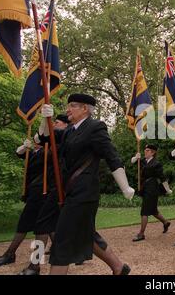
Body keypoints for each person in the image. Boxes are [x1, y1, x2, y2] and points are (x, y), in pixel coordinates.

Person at [38, 94, 135, 275]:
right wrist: (45, 119)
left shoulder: (95, 127)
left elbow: (111, 156)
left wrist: (125, 186)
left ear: (85, 108)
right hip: (66, 192)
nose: (67, 109)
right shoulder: (69, 131)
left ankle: (36, 266)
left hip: (83, 193)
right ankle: (119, 267)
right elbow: (45, 137)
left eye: (72, 105)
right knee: (84, 233)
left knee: (63, 239)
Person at [16, 115, 70, 275]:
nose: (53, 125)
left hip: (59, 188)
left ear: (65, 126)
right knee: (46, 226)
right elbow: (41, 137)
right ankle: (36, 264)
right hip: (50, 189)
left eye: (57, 123)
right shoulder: (52, 141)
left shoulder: (64, 141)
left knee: (49, 226)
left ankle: (36, 264)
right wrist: (43, 121)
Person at [0, 138, 48, 268]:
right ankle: (32, 261)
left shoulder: (48, 152)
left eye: (38, 138)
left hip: (43, 192)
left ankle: (15, 256)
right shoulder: (33, 153)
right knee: (45, 228)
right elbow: (19, 154)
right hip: (34, 193)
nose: (35, 140)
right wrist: (24, 147)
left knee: (38, 227)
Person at [130, 144, 172, 242]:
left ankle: (141, 234)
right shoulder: (143, 161)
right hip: (145, 188)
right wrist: (136, 157)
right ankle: (165, 222)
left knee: (144, 211)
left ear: (153, 152)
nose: (145, 151)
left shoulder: (157, 163)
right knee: (153, 211)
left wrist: (167, 189)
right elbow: (132, 162)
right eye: (145, 150)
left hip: (152, 189)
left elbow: (162, 177)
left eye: (148, 150)